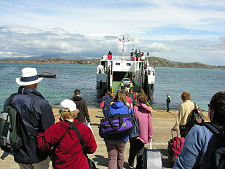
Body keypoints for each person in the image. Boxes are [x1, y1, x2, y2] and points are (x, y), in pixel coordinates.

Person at [3, 67, 55, 169]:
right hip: (39, 153)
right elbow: (49, 130)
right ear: (36, 84)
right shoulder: (41, 103)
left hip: (19, 151)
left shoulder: (10, 99)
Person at [37, 99, 97, 169]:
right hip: (81, 165)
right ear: (75, 112)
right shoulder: (84, 128)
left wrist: (40, 133)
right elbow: (92, 149)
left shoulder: (54, 128)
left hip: (60, 165)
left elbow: (42, 146)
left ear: (61, 112)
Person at [173, 91, 225, 169]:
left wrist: (176, 126)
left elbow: (183, 166)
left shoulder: (200, 132)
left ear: (212, 111)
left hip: (184, 125)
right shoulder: (194, 104)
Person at [105, 91, 133, 169]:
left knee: (112, 157)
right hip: (123, 136)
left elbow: (107, 118)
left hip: (111, 135)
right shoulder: (127, 108)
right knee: (121, 154)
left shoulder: (110, 107)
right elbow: (132, 117)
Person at [128, 93, 153, 169]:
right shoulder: (147, 111)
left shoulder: (134, 109)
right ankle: (139, 165)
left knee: (132, 149)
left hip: (133, 133)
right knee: (140, 151)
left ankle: (131, 162)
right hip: (143, 135)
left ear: (137, 100)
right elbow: (150, 126)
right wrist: (150, 136)